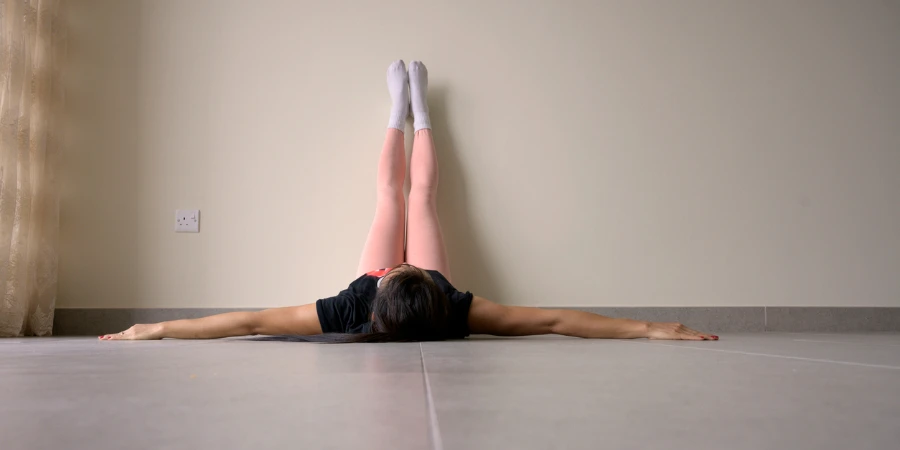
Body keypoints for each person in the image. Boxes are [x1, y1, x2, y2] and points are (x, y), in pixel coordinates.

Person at [100, 61, 718, 343]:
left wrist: (157, 328)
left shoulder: (349, 305)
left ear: (380, 284)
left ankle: (396, 114)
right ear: (419, 280)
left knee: (387, 200)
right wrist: (648, 328)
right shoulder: (454, 305)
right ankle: (419, 114)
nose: (398, 260)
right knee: (418, 197)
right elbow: (556, 320)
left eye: (398, 267)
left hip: (391, 298)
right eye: (405, 266)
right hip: (422, 295)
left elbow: (248, 322)